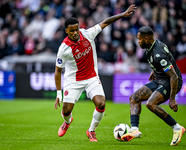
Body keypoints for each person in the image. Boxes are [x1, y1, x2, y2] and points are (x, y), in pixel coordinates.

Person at [54, 4, 137, 142]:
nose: (75, 32)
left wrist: (122, 14)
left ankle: (91, 130)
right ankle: (67, 122)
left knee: (101, 104)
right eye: (71, 31)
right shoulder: (64, 48)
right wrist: (58, 93)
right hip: (73, 80)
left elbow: (105, 22)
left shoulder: (88, 33)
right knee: (66, 110)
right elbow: (58, 70)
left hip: (91, 77)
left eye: (76, 29)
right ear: (66, 31)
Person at [121, 26, 185, 146]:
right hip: (160, 79)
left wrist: (172, 99)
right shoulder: (151, 46)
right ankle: (135, 130)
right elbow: (162, 63)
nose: (138, 41)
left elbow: (174, 76)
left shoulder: (158, 53)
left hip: (170, 82)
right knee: (134, 98)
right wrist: (155, 70)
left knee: (151, 104)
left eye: (139, 39)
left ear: (146, 38)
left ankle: (177, 128)